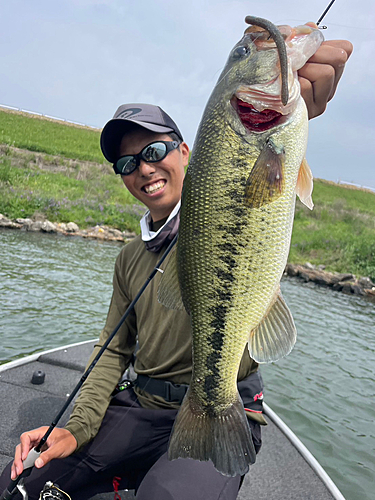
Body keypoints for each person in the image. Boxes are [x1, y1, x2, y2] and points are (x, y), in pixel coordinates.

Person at [0, 37, 353, 500]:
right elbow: (111, 350)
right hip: (142, 405)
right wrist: (78, 428)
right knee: (23, 483)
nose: (143, 169)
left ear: (187, 153)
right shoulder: (129, 258)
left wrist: (294, 105)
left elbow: (260, 182)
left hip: (224, 406)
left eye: (153, 151)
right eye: (127, 163)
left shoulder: (219, 212)